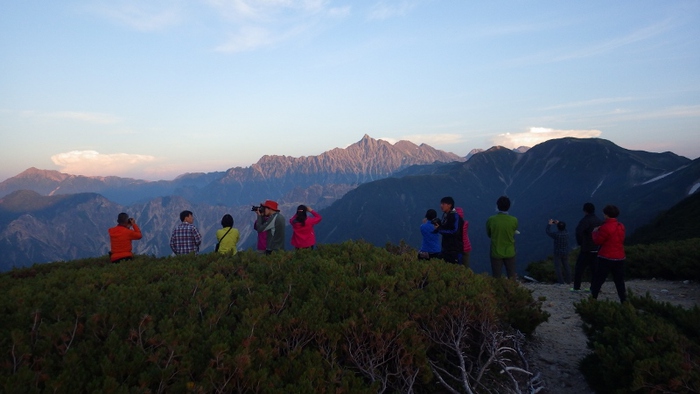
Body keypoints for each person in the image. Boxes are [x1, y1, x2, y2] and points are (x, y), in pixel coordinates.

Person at [590, 205, 626, 303]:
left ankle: (593, 299)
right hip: (619, 257)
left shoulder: (605, 228)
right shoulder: (621, 226)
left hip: (606, 257)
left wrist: (594, 232)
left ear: (606, 215)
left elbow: (597, 241)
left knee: (599, 279)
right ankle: (623, 300)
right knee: (619, 280)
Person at [572, 202, 604, 292]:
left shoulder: (585, 220)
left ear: (585, 211)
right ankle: (594, 287)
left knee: (579, 268)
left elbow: (578, 231)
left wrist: (581, 242)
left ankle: (576, 287)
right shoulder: (599, 220)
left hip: (586, 249)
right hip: (596, 248)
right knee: (595, 269)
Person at [486, 196, 518, 279]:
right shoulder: (514, 220)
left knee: (496, 276)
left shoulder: (491, 220)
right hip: (510, 251)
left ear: (497, 206)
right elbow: (513, 232)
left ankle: (497, 291)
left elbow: (489, 234)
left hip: (496, 251)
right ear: (509, 206)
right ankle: (512, 290)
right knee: (511, 275)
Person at [434, 196, 463, 264]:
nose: (441, 206)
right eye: (441, 204)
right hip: (446, 248)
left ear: (449, 205)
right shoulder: (446, 215)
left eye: (443, 204)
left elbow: (455, 231)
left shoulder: (455, 216)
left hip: (454, 249)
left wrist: (439, 229)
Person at [546, 219, 571, 285]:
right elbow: (564, 229)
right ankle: (569, 281)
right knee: (566, 266)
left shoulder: (556, 235)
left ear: (558, 227)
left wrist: (549, 224)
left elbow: (548, 232)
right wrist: (559, 223)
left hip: (557, 252)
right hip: (565, 252)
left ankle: (561, 282)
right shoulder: (567, 233)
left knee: (558, 267)